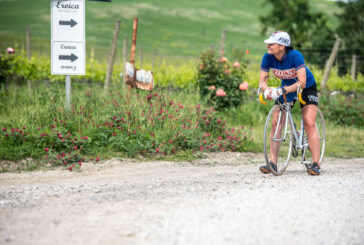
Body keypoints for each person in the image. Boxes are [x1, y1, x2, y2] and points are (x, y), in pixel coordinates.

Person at [258, 31, 321, 175]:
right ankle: (272, 163)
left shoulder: (295, 56)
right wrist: (267, 90)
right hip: (286, 88)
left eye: (271, 44)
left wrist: (282, 90)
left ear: (282, 46)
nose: (268, 45)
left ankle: (316, 163)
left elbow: (302, 82)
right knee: (276, 122)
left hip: (306, 87)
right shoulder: (267, 57)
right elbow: (262, 80)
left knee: (309, 122)